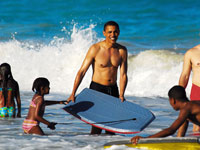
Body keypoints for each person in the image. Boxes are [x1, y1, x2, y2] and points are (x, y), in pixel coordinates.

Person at [67, 21, 128, 135]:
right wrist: (73, 92)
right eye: (109, 32)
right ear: (104, 33)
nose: (113, 35)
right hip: (97, 89)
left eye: (115, 32)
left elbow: (123, 74)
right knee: (97, 126)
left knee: (112, 126)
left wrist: (121, 94)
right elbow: (82, 71)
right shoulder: (96, 49)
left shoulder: (122, 51)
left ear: (119, 32)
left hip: (113, 90)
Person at [131, 85, 200, 144]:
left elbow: (171, 130)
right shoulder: (190, 107)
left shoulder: (186, 108)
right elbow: (180, 136)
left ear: (173, 100)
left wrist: (147, 139)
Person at [179, 44, 200, 133]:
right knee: (197, 126)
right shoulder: (191, 53)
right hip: (198, 91)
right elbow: (185, 76)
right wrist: (179, 95)